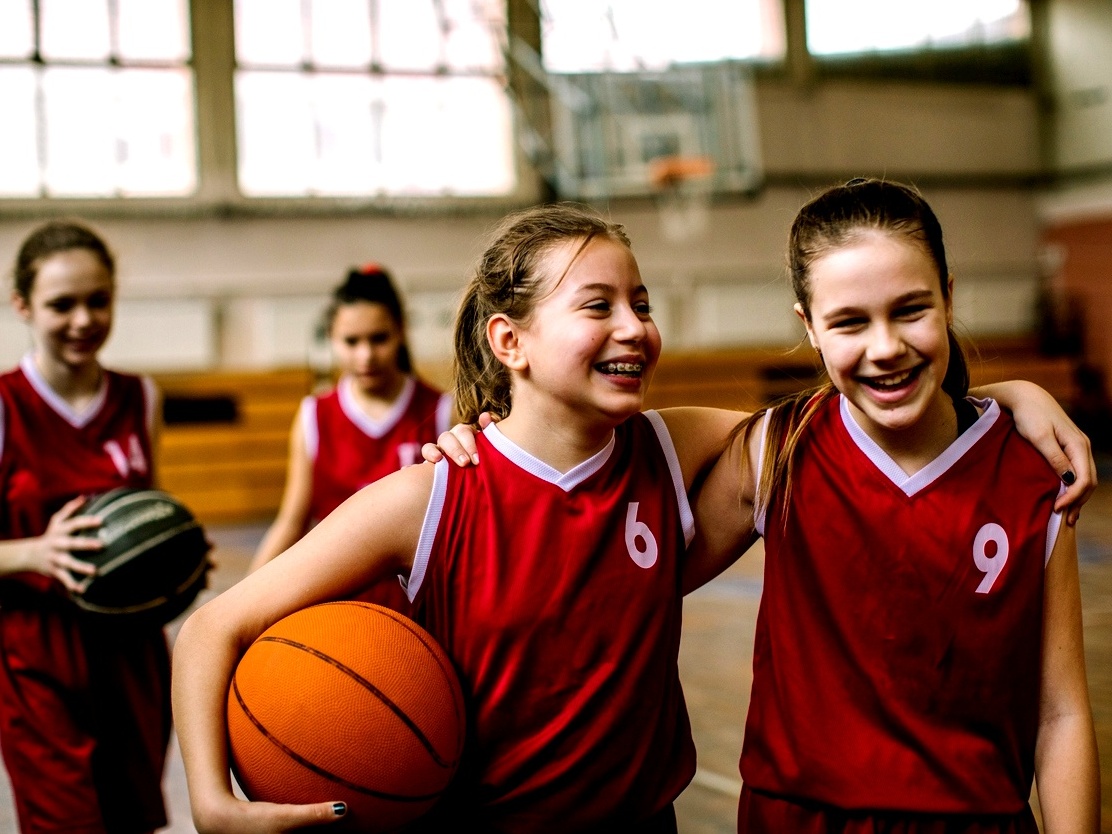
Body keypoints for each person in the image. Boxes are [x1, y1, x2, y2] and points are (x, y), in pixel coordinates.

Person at [173, 203, 740, 833]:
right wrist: (210, 803)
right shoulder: (432, 494)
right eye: (597, 306)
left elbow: (806, 435)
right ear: (509, 341)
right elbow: (209, 630)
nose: (634, 327)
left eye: (642, 304)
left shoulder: (668, 445)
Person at [686, 179, 1100, 832]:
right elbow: (640, 586)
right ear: (810, 328)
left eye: (910, 310)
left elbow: (1062, 712)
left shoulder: (1034, 473)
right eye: (850, 321)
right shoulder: (778, 451)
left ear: (949, 297)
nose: (885, 346)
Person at [0, 221, 171, 834]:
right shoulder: (5, 404)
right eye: (61, 304)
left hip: (131, 652)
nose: (83, 319)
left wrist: (178, 556)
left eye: (98, 300)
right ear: (23, 305)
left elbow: (149, 515)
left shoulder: (140, 397)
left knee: (133, 820)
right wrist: (33, 553)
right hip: (38, 656)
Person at [247, 264, 452, 610]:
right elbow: (291, 522)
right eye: (352, 342)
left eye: (378, 339)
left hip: (417, 605)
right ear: (331, 338)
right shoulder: (314, 415)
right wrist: (243, 599)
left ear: (401, 331)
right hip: (333, 600)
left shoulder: (443, 411)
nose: (365, 355)